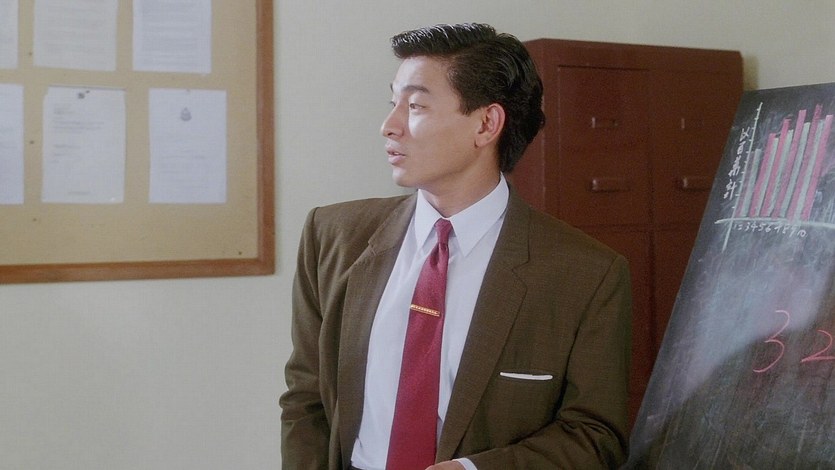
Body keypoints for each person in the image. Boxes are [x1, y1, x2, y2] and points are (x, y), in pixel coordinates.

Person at [280, 23, 632, 469]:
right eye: (393, 103)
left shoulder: (586, 273)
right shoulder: (332, 236)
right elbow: (305, 398)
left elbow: (595, 436)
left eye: (415, 106)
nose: (389, 126)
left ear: (486, 124)